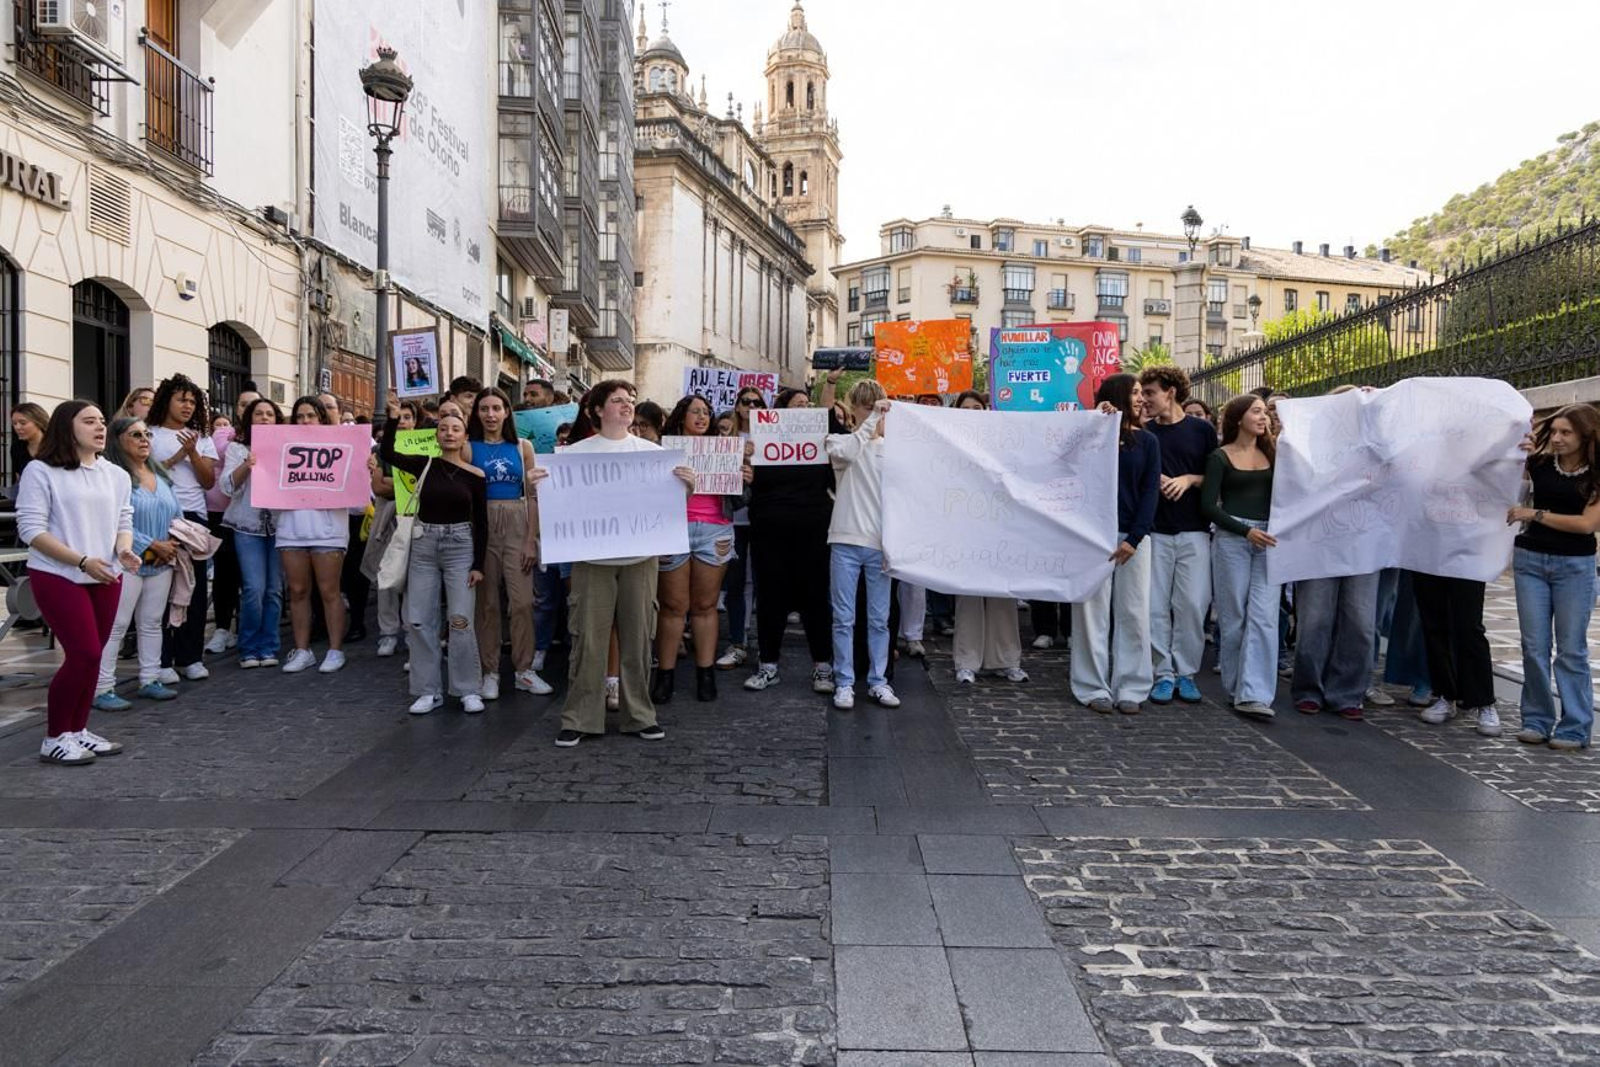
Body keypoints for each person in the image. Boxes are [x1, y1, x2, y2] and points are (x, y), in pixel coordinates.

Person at [554, 380, 693, 746]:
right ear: (597, 410)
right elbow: (562, 504)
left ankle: (640, 716)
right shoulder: (574, 455)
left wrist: (686, 487)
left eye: (630, 399)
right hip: (591, 559)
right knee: (587, 639)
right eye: (617, 400)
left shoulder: (653, 453)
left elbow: (666, 505)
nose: (627, 405)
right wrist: (541, 486)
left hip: (639, 558)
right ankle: (580, 717)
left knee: (639, 638)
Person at [17, 401, 137, 764]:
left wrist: (124, 551)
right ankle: (55, 736)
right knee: (84, 653)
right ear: (66, 427)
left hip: (106, 574)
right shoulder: (41, 470)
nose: (100, 427)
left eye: (102, 421)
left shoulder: (116, 474)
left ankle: (77, 730)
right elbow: (31, 530)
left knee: (93, 657)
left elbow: (124, 520)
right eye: (89, 421)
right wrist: (82, 561)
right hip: (58, 574)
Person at [382, 395, 490, 715]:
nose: (449, 433)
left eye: (456, 429)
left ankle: (468, 689)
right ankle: (428, 690)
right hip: (424, 546)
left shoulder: (475, 476)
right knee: (419, 620)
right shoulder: (424, 464)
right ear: (437, 435)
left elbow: (481, 523)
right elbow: (388, 453)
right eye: (443, 428)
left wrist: (478, 564)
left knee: (461, 620)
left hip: (460, 547)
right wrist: (392, 419)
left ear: (465, 436)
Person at [1505, 404, 1600, 750]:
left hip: (1575, 567)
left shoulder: (1596, 476)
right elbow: (1505, 478)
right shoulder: (1540, 463)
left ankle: (1574, 727)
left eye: (1566, 433)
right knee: (1534, 647)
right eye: (1555, 431)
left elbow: (1587, 524)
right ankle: (1536, 720)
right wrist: (1519, 454)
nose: (1557, 438)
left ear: (1585, 436)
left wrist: (1536, 514)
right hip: (1530, 561)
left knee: (1571, 650)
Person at [1290, 388, 1383, 723]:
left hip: (1365, 544)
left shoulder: (1379, 444)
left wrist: (1378, 408)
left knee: (1359, 620)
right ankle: (1308, 688)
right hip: (1321, 542)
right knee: (1315, 617)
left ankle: (1347, 692)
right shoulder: (1313, 445)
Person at [742, 380, 840, 696]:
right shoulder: (759, 443)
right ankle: (768, 665)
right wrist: (745, 462)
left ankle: (822, 665)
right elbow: (747, 486)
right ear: (781, 412)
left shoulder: (822, 441)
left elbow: (835, 478)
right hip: (769, 528)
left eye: (807, 405)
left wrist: (831, 385)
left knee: (815, 597)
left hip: (813, 527)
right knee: (771, 597)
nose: (804, 408)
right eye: (798, 404)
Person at [1071, 373, 1160, 715]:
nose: (1141, 399)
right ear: (1118, 395)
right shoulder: (1095, 434)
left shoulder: (1148, 441)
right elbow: (1071, 463)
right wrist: (1096, 422)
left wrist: (1135, 538)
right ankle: (1092, 686)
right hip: (1094, 538)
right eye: (1135, 392)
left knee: (1134, 612)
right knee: (1091, 614)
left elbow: (1150, 491)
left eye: (1142, 393)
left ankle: (1132, 687)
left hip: (1133, 538)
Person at [652, 393, 740, 704]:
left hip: (714, 531)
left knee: (705, 605)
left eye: (706, 412)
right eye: (695, 412)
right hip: (673, 528)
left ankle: (705, 673)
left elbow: (741, 499)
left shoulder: (724, 449)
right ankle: (665, 675)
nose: (702, 417)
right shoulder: (663, 450)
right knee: (673, 606)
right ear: (681, 416)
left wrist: (745, 478)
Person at [1139, 366, 1219, 706]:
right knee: (1155, 606)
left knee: (1192, 605)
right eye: (1142, 393)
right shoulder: (1145, 432)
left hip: (1194, 529)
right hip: (1155, 530)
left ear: (1170, 392)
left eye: (1150, 392)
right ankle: (1163, 673)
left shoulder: (1202, 430)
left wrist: (1188, 479)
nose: (1145, 399)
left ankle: (1186, 672)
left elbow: (1216, 477)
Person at [92, 416, 182, 710]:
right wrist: (151, 543)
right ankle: (102, 687)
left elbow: (177, 513)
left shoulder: (161, 475)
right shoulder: (113, 477)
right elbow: (113, 519)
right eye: (136, 435)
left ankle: (150, 679)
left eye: (147, 434)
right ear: (118, 440)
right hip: (126, 560)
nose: (144, 440)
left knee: (152, 622)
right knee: (116, 624)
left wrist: (173, 541)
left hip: (161, 561)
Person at [467, 386, 552, 699]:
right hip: (483, 524)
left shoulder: (522, 447)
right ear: (477, 413)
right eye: (484, 408)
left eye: (496, 408)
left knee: (523, 601)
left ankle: (524, 670)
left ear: (506, 412)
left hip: (517, 521)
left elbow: (533, 495)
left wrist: (531, 540)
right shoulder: (468, 448)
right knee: (487, 603)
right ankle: (489, 671)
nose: (491, 415)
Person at [1202, 394, 1280, 719]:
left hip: (1270, 540)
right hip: (1232, 539)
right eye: (1256, 411)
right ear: (1239, 418)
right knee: (1233, 616)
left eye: (1265, 413)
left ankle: (1255, 693)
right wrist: (1245, 531)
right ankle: (1236, 688)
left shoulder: (1275, 454)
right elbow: (1208, 506)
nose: (1263, 417)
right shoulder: (1220, 457)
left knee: (1264, 616)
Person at [826, 381, 900, 711]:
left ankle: (878, 680)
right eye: (866, 406)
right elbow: (848, 453)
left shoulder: (893, 448)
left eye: (877, 406)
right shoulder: (839, 441)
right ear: (854, 407)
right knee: (843, 618)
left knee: (879, 619)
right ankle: (844, 682)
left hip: (880, 543)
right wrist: (870, 421)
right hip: (845, 539)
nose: (873, 412)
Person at [949, 390, 1026, 685]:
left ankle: (1006, 659)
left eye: (977, 408)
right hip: (965, 527)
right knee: (968, 595)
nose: (972, 413)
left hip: (999, 527)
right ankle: (966, 661)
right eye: (966, 408)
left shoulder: (1001, 442)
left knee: (1002, 594)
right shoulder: (948, 442)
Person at [147, 375, 217, 684]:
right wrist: (178, 455)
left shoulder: (202, 438)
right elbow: (147, 474)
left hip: (193, 518)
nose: (187, 406)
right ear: (166, 401)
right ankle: (162, 660)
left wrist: (193, 453)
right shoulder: (148, 433)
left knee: (195, 589)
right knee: (161, 590)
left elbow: (208, 481)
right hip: (158, 517)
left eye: (192, 401)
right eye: (181, 400)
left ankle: (191, 657)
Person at [276, 397, 351, 674]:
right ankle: (302, 650)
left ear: (321, 418)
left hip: (328, 532)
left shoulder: (342, 447)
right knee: (297, 592)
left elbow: (357, 501)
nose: (305, 421)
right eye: (300, 416)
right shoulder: (281, 450)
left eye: (311, 415)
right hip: (291, 529)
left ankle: (335, 650)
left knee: (329, 591)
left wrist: (362, 470)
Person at [219, 398, 285, 669]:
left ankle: (268, 646)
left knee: (274, 590)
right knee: (253, 588)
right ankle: (248, 647)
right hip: (247, 527)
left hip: (279, 527)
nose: (265, 418)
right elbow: (226, 487)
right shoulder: (237, 449)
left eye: (270, 414)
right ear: (250, 419)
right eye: (259, 413)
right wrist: (247, 465)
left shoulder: (286, 449)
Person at [714, 385, 768, 671]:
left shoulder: (772, 439)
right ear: (737, 406)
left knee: (762, 584)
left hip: (762, 518)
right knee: (735, 583)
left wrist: (756, 474)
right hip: (732, 520)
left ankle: (765, 648)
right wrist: (735, 457)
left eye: (758, 403)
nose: (752, 407)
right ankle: (737, 642)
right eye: (746, 402)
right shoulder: (723, 439)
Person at [362, 399, 420, 658]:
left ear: (415, 421)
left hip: (416, 518)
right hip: (388, 519)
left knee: (412, 578)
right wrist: (406, 485)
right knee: (386, 574)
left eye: (408, 417)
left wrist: (391, 482)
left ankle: (410, 631)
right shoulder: (380, 449)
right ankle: (387, 633)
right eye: (400, 417)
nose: (404, 422)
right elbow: (378, 487)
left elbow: (425, 483)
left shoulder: (424, 445)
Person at [202, 411, 240, 654]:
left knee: (250, 578)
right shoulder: (221, 435)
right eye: (243, 405)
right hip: (218, 514)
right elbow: (218, 450)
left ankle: (245, 629)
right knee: (225, 572)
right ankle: (223, 628)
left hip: (250, 515)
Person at [9, 401, 48, 484]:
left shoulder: (56, 445)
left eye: (23, 423)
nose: (17, 427)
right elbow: (20, 478)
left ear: (39, 422)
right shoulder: (17, 447)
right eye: (14, 423)